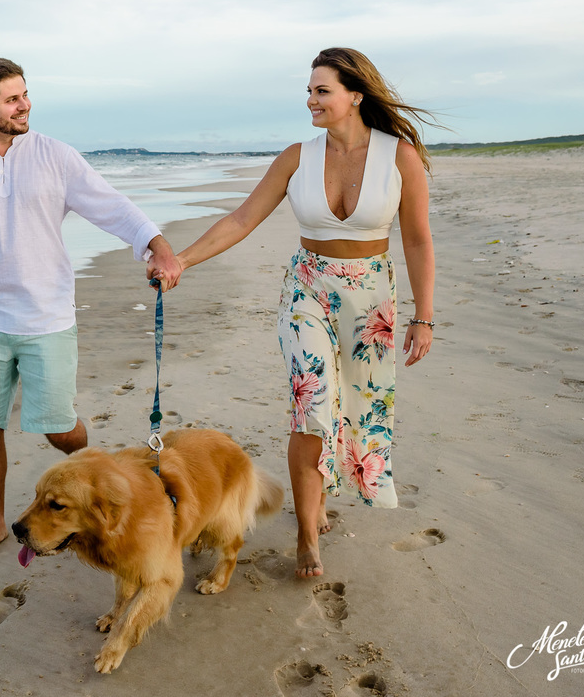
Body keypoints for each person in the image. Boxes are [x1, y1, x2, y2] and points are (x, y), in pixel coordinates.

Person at [148, 48, 437, 578]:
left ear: (356, 95)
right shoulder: (296, 157)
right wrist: (181, 260)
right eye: (309, 91)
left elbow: (417, 240)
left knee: (355, 406)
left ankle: (320, 497)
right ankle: (307, 533)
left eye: (322, 91)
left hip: (370, 299)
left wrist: (424, 315)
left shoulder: (399, 157)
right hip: (307, 291)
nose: (311, 101)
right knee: (313, 405)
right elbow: (242, 220)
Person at [0, 57, 182, 562]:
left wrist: (158, 247)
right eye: (12, 99)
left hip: (48, 319)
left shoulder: (56, 156)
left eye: (25, 94)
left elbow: (112, 206)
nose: (25, 105)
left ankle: (98, 487)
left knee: (59, 427)